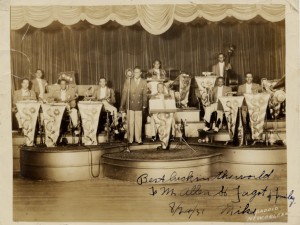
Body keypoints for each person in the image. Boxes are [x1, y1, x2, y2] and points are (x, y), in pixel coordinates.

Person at [120, 66, 148, 144]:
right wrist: (122, 105)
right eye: (135, 72)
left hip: (139, 104)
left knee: (139, 122)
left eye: (138, 72)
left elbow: (145, 94)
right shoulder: (128, 81)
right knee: (130, 122)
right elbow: (124, 94)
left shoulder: (144, 82)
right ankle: (130, 139)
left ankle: (138, 139)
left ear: (141, 73)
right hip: (130, 104)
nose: (136, 74)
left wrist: (144, 104)